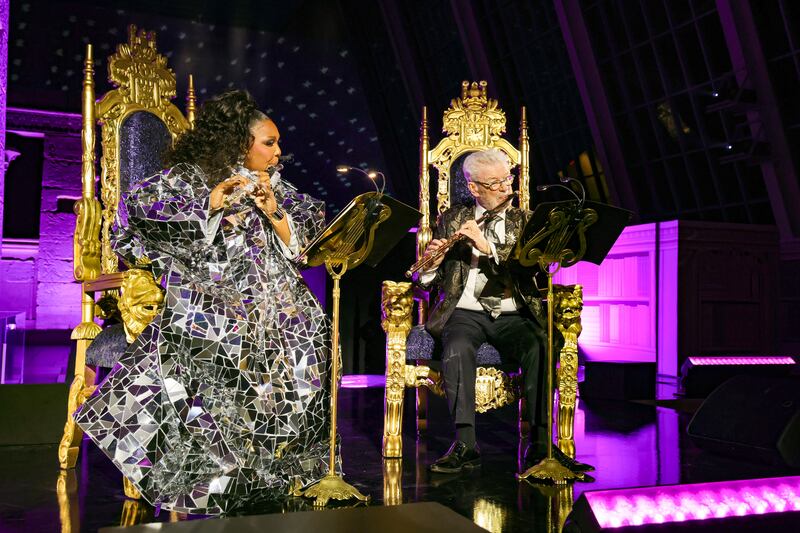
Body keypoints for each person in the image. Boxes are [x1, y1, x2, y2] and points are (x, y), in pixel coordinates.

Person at [75, 90, 335, 514]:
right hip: (210, 291)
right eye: (269, 143)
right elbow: (141, 210)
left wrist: (273, 212)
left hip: (274, 295)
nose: (278, 152)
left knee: (312, 334)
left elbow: (306, 244)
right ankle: (221, 474)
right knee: (230, 338)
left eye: (277, 144)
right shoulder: (189, 178)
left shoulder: (277, 186)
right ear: (238, 143)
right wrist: (210, 205)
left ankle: (285, 467)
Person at [417, 148, 592, 475]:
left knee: (540, 344)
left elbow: (530, 271)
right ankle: (466, 444)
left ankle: (541, 444)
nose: (505, 188)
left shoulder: (527, 221)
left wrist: (488, 248)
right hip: (465, 310)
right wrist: (432, 263)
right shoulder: (452, 218)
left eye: (507, 180)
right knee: (456, 346)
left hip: (513, 311)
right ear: (474, 187)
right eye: (495, 183)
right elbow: (428, 281)